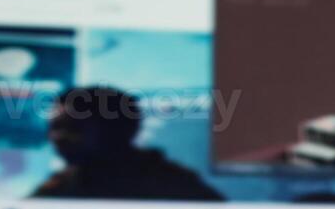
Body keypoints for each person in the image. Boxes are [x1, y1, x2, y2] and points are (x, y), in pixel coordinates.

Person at [30, 86, 223, 201]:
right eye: (54, 128)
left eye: (73, 128)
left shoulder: (174, 185)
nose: (57, 137)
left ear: (117, 131)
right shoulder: (61, 184)